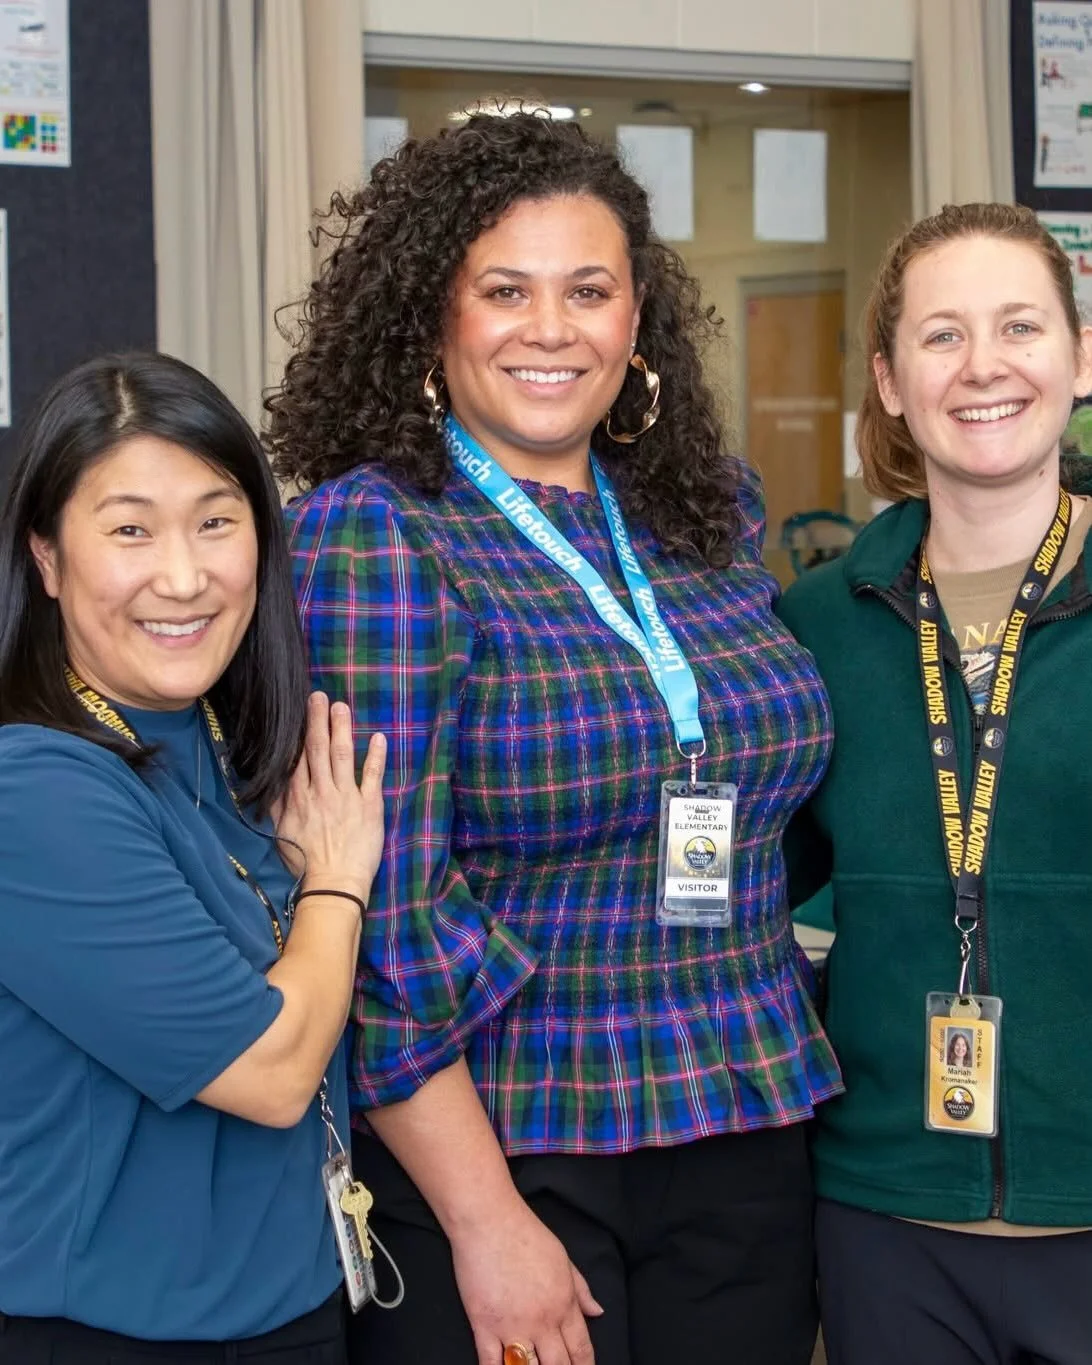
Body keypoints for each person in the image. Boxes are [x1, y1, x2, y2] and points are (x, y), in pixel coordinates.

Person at [266, 111, 842, 1365]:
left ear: (637, 321)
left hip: (742, 1116)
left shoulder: (707, 510)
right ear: (435, 315)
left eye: (590, 290)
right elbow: (384, 908)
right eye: (505, 291)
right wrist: (486, 1221)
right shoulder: (379, 535)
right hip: (516, 1144)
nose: (551, 328)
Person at [0, 353, 387, 1363]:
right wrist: (337, 882)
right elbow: (267, 1073)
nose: (183, 576)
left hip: (293, 1310)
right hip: (111, 1334)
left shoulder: (225, 747)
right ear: (46, 558)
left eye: (217, 522)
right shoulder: (33, 788)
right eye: (129, 530)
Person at [778, 202, 1092, 1364]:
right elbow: (753, 886)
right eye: (942, 335)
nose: (985, 366)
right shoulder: (814, 622)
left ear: (1080, 354)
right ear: (892, 381)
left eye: (1019, 326)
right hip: (884, 1217)